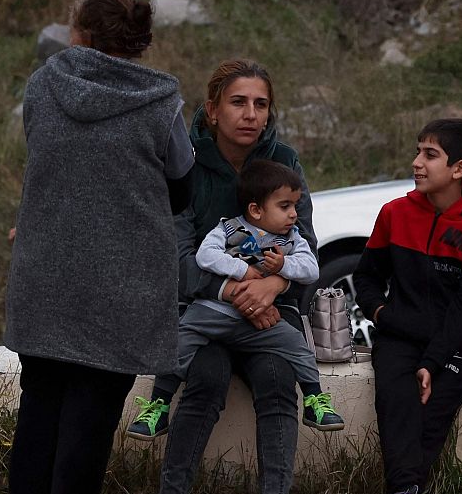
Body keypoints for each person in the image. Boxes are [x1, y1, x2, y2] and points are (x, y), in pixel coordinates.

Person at [2, 0, 194, 494]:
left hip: (45, 275)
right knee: (88, 423)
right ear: (138, 40)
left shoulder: (42, 86)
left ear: (78, 33)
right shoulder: (161, 102)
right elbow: (182, 184)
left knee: (39, 418)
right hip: (121, 283)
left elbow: (42, 153)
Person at [142, 59, 316, 494]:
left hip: (269, 317)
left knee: (279, 382)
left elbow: (308, 249)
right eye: (238, 102)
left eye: (261, 104)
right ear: (213, 109)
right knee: (204, 381)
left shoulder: (285, 160)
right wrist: (235, 293)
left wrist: (274, 287)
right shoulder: (187, 162)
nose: (250, 114)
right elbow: (177, 258)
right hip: (204, 314)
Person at [349, 118, 462, 494]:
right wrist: (381, 314)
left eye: (429, 155)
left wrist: (432, 362)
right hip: (398, 336)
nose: (416, 163)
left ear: (459, 168)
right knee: (396, 403)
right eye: (418, 151)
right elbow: (366, 277)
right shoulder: (394, 213)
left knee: (428, 414)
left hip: (455, 344)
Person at [138, 160, 343, 436]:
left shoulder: (293, 240)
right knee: (180, 342)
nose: (294, 215)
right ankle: (157, 407)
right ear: (256, 210)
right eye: (285, 206)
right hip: (215, 311)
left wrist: (283, 268)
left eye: (295, 206)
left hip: (261, 322)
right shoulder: (228, 229)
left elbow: (311, 269)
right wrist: (242, 270)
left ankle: (315, 400)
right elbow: (204, 256)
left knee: (298, 345)